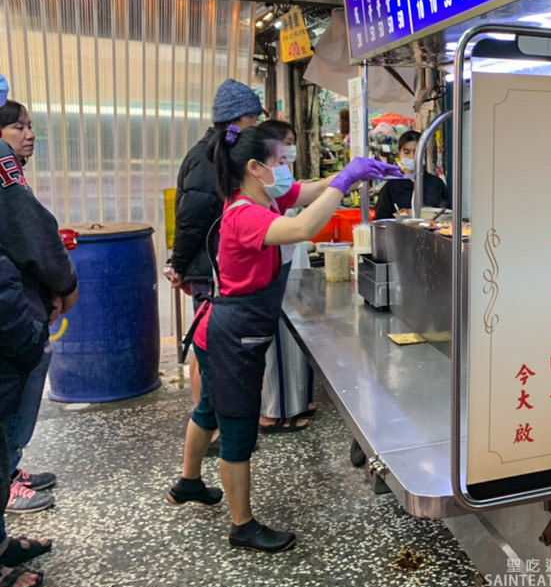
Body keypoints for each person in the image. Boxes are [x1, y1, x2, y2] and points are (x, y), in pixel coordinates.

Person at [166, 125, 402, 552]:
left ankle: (188, 482)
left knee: (207, 409)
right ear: (255, 169)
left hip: (220, 328)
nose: (287, 170)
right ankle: (242, 526)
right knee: (237, 429)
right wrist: (345, 180)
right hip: (233, 336)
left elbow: (307, 192)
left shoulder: (265, 197)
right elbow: (302, 229)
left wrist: (352, 174)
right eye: (280, 162)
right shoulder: (245, 215)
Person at [167, 79, 264, 428]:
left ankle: (208, 422)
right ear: (240, 119)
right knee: (207, 354)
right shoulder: (212, 157)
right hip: (208, 270)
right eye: (254, 119)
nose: (257, 127)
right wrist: (178, 264)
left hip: (207, 267)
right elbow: (192, 218)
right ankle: (207, 423)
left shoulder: (211, 151)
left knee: (206, 350)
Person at [0, 101, 78, 514]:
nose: (28, 135)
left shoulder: (12, 171)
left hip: (22, 302)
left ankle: (10, 471)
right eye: (18, 127)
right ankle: (6, 478)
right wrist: (65, 285)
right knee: (17, 395)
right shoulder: (3, 169)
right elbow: (34, 236)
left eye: (30, 126)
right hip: (13, 315)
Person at [0, 136, 59, 587]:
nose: (26, 133)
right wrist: (27, 334)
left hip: (14, 326)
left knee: (5, 446)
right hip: (9, 332)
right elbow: (32, 235)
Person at [256, 119, 314, 433]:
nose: (291, 149)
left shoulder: (280, 180)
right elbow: (301, 226)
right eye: (285, 144)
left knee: (293, 341)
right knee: (278, 344)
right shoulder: (255, 195)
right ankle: (273, 412)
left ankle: (292, 405)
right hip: (275, 275)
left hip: (289, 264)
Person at [373, 130, 451, 219]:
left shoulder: (436, 184)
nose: (412, 156)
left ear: (424, 153)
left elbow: (446, 215)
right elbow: (382, 220)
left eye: (417, 152)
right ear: (399, 154)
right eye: (407, 152)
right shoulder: (390, 187)